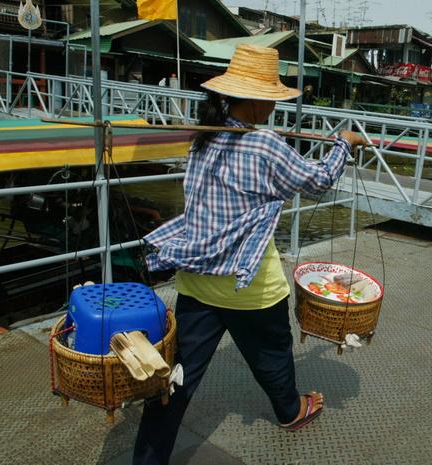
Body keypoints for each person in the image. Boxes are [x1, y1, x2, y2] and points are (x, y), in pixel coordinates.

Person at [133, 44, 366, 464]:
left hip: (198, 280)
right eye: (272, 102)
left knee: (175, 380)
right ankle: (291, 410)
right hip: (250, 285)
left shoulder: (203, 136)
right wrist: (343, 143)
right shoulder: (265, 145)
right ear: (259, 102)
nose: (274, 109)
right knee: (273, 355)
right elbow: (317, 182)